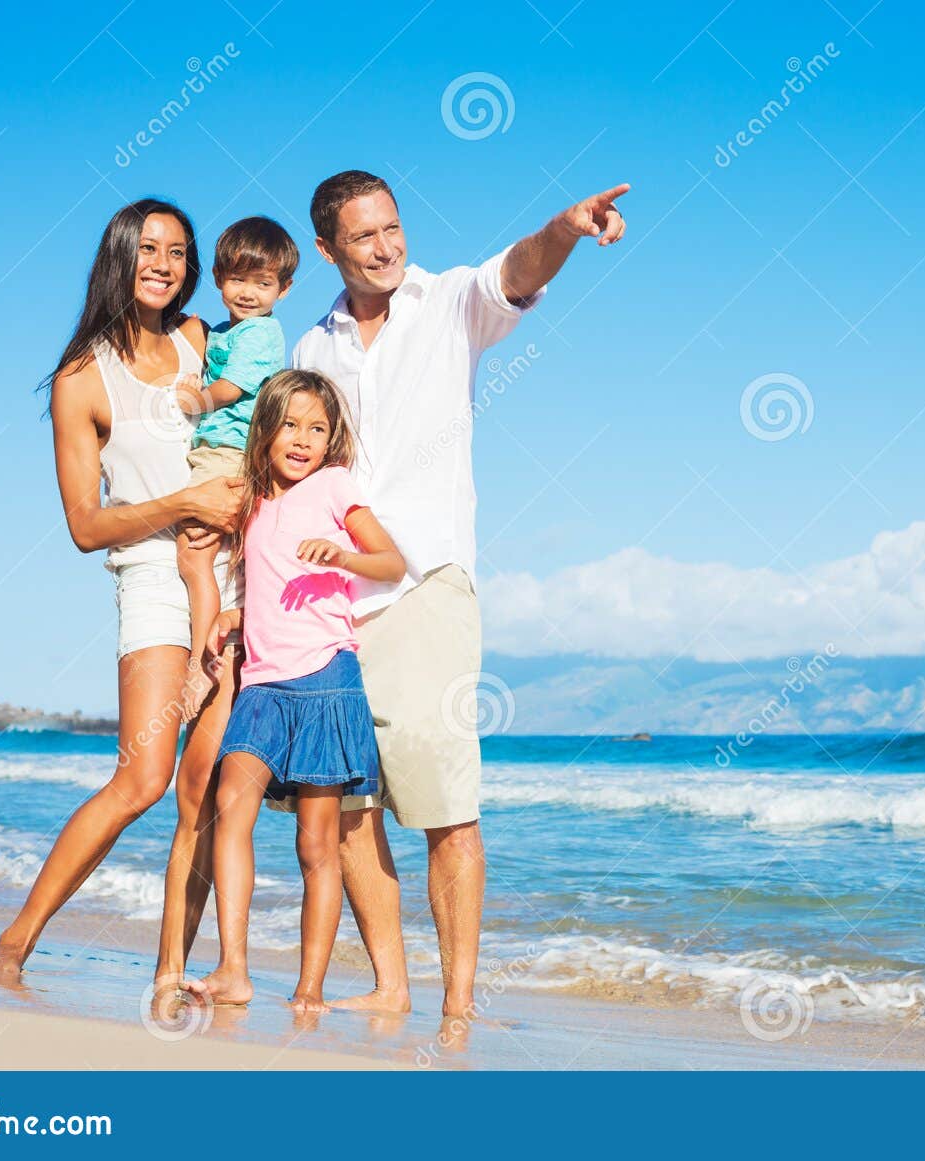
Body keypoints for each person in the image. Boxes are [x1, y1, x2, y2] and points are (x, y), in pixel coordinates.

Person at [290, 169, 628, 1019]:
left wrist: (565, 227)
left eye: (392, 227)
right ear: (329, 249)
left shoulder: (446, 302)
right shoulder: (310, 350)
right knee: (349, 807)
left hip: (425, 584)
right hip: (330, 604)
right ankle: (392, 986)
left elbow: (514, 271)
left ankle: (460, 1001)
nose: (385, 247)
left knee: (446, 804)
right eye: (363, 237)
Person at [0, 200, 245, 998]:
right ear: (119, 256)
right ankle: (14, 941)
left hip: (234, 578)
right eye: (148, 248)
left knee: (208, 786)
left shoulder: (204, 341)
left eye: (178, 251)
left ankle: (175, 972)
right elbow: (85, 525)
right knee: (144, 777)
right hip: (155, 579)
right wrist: (184, 508)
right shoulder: (81, 378)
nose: (163, 262)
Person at [184, 370, 405, 1012]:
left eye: (318, 428)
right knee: (231, 806)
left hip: (325, 681)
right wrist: (234, 615)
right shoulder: (252, 502)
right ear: (266, 428)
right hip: (261, 684)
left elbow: (390, 562)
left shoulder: (335, 487)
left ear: (332, 438)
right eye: (290, 425)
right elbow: (267, 578)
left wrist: (343, 559)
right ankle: (234, 968)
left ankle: (309, 988)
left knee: (317, 842)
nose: (303, 439)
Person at [175, 216, 299, 720]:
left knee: (193, 558)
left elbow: (235, 388)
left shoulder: (261, 335)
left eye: (262, 283)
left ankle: (200, 662)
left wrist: (197, 400)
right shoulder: (231, 329)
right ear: (220, 279)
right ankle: (222, 650)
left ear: (283, 290)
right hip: (226, 454)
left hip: (227, 454)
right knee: (221, 563)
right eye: (238, 280)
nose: (247, 292)